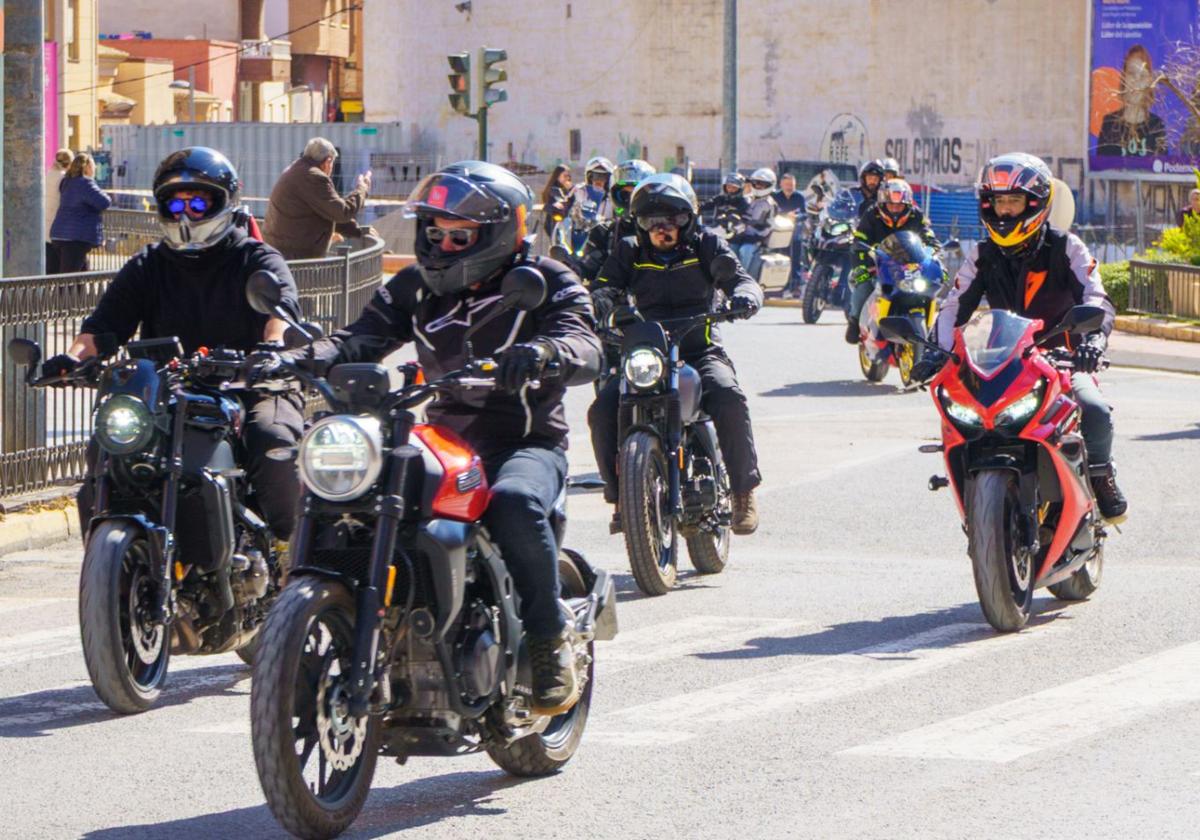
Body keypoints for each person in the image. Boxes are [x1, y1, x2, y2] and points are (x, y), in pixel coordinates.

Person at [293, 161, 602, 716]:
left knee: (512, 502)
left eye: (459, 235)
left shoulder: (547, 279)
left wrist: (545, 354)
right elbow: (361, 338)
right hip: (444, 440)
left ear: (500, 232)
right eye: (434, 233)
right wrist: (304, 358)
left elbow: (584, 342)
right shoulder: (414, 287)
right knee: (348, 494)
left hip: (523, 442)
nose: (443, 245)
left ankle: (548, 639)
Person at [41, 147, 304, 543]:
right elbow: (102, 326)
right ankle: (111, 548)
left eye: (199, 202)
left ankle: (290, 551)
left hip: (251, 383)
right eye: (175, 202)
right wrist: (71, 359)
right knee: (106, 443)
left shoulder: (255, 258)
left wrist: (271, 352)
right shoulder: (149, 264)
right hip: (168, 389)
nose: (186, 214)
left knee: (272, 438)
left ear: (225, 202)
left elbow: (280, 315)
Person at [912, 153, 1127, 521]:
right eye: (999, 202)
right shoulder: (981, 254)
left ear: (1036, 204)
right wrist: (935, 352)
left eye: (1014, 202)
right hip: (1004, 361)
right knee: (962, 417)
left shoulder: (1067, 248)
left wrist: (1092, 341)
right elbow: (953, 307)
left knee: (1093, 409)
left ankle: (1101, 473)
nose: (1006, 212)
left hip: (1061, 358)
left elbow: (1096, 297)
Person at [588, 173, 764, 535]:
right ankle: (621, 497)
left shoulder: (707, 244)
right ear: (640, 224)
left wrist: (745, 297)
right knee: (603, 410)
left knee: (729, 395)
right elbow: (605, 284)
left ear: (688, 220)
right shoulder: (629, 251)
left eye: (672, 220)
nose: (661, 229)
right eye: (652, 221)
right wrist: (599, 302)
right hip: (646, 353)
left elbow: (741, 279)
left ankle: (744, 492)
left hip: (698, 349)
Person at [845, 177, 941, 344]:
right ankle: (854, 322)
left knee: (931, 286)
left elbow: (927, 236)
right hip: (877, 264)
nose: (895, 209)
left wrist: (935, 251)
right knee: (863, 285)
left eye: (899, 205)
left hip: (909, 267)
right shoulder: (871, 215)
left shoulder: (916, 215)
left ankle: (932, 333)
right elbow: (858, 242)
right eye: (891, 205)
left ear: (907, 205)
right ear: (883, 204)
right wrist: (861, 265)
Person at [263, 136, 372, 259]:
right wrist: (362, 189)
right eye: (332, 164)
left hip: (280, 251)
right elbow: (342, 212)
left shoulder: (296, 169)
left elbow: (327, 211)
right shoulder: (314, 177)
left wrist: (356, 230)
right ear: (328, 162)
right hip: (297, 259)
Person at [575, 159, 656, 285]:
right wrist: (569, 269)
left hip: (656, 300)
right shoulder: (603, 233)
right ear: (615, 196)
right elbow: (586, 267)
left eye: (637, 194)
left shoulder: (665, 229)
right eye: (625, 195)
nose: (631, 201)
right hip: (613, 300)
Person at [1096, 45, 1166, 159]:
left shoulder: (1157, 126)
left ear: (1149, 82)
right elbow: (1100, 169)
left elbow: (1162, 170)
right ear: (1124, 77)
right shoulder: (1109, 124)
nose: (1136, 81)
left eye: (1142, 76)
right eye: (1132, 73)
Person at [49, 152, 112, 274]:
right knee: (68, 281)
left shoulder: (67, 182)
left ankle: (81, 293)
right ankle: (63, 294)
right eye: (93, 165)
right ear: (87, 167)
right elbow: (104, 202)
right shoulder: (85, 183)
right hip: (75, 238)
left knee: (81, 277)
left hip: (59, 234)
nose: (94, 168)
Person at [730, 168, 778, 277]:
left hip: (757, 238)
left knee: (745, 250)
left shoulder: (769, 203)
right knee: (730, 247)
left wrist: (755, 228)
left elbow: (767, 226)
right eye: (756, 183)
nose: (758, 186)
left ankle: (741, 278)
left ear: (770, 185)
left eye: (762, 184)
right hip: (743, 235)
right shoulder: (747, 198)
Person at [567, 156, 615, 253]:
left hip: (603, 241)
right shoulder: (578, 191)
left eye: (603, 176)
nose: (599, 180)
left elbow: (618, 216)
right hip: (580, 235)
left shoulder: (613, 197)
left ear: (608, 179)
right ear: (589, 177)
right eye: (595, 176)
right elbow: (567, 204)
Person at [774, 173, 808, 298]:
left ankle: (795, 287)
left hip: (795, 234)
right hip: (779, 234)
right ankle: (779, 287)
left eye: (792, 185)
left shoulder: (799, 197)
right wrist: (785, 215)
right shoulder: (775, 197)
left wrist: (796, 217)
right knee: (780, 259)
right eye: (787, 184)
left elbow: (804, 214)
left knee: (795, 261)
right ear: (781, 184)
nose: (789, 187)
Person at [44, 148, 74, 273]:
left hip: (46, 224)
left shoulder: (47, 175)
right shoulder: (64, 179)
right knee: (59, 266)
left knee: (49, 263)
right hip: (59, 226)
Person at [539, 164, 574, 248]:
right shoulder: (553, 190)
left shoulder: (566, 190)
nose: (567, 179)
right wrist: (570, 193)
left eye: (568, 176)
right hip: (555, 226)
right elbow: (562, 203)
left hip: (566, 227)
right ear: (557, 176)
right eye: (564, 176)